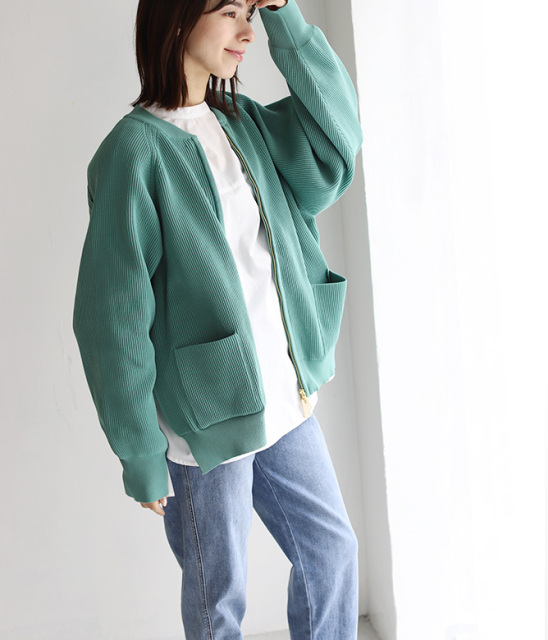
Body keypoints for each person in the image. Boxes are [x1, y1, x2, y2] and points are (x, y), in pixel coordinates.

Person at [72, 0, 363, 637]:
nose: (247, 30)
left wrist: (287, 17)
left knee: (332, 553)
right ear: (177, 18)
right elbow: (113, 319)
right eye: (231, 12)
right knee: (219, 601)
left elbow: (337, 143)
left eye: (252, 12)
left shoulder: (242, 121)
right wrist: (139, 451)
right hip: (205, 418)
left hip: (284, 399)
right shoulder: (132, 153)